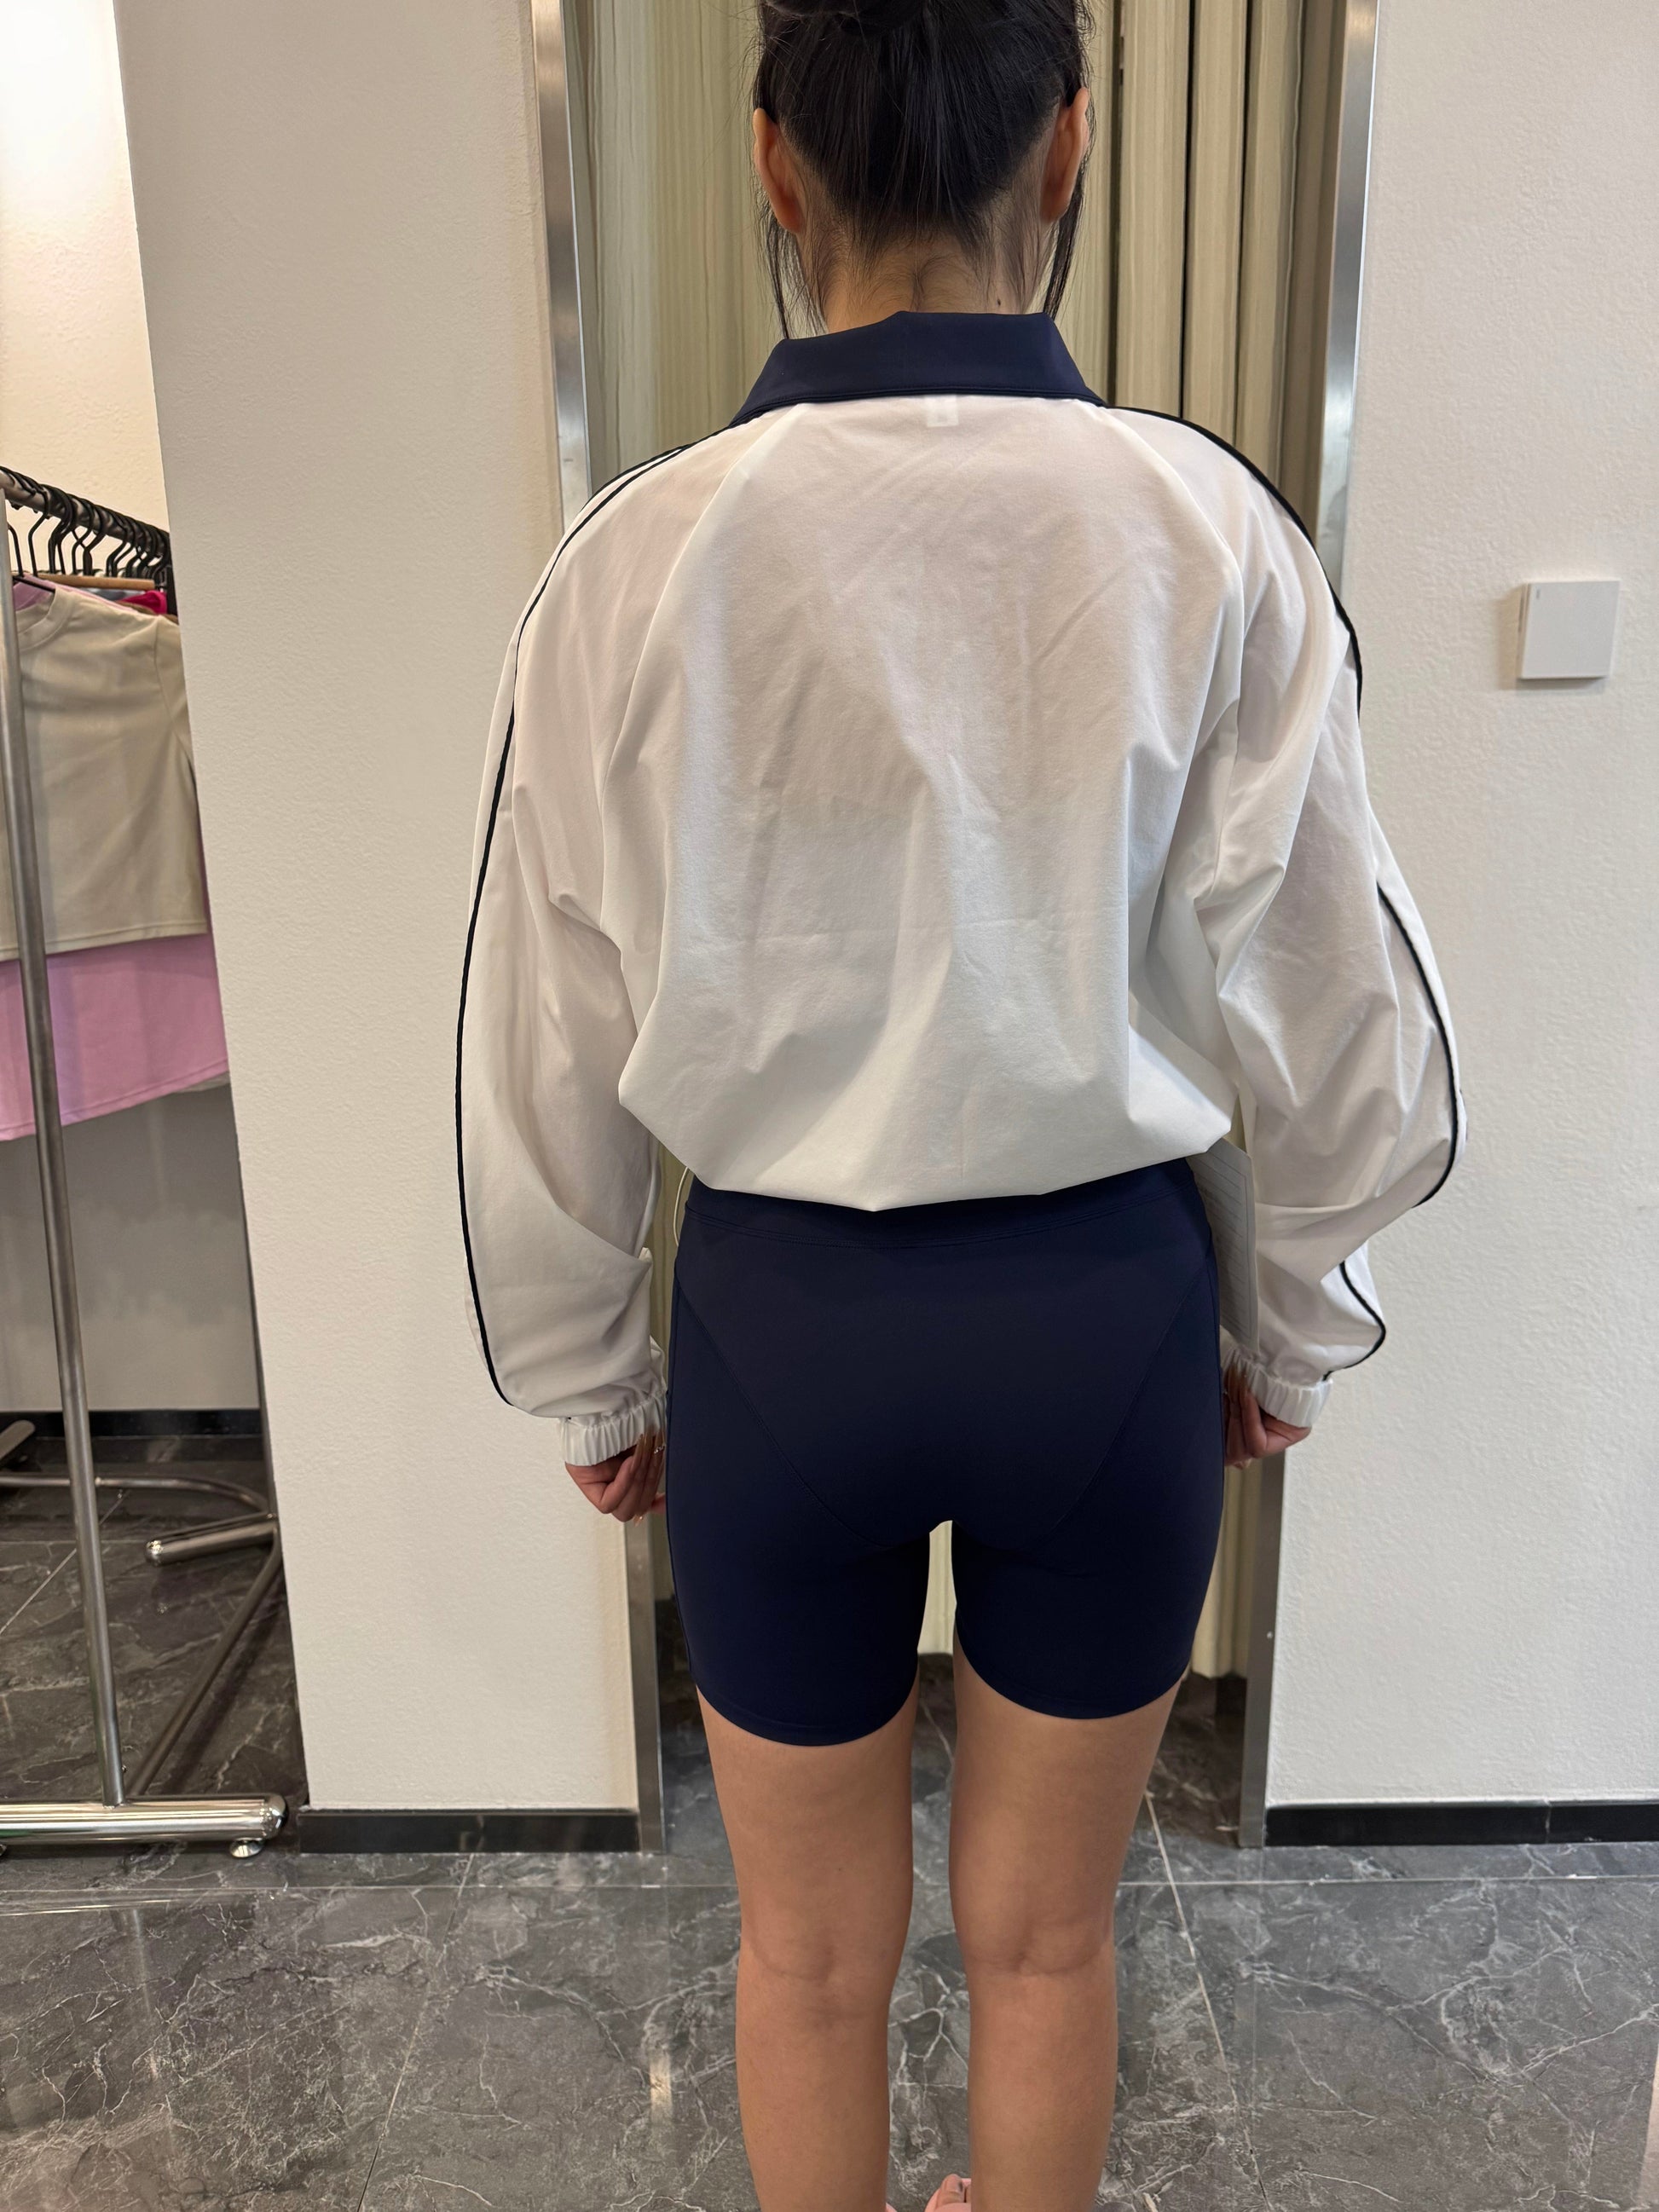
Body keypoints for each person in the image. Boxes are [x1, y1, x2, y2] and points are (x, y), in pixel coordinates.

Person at [457, 1, 1462, 2204]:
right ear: (1070, 147)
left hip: (775, 1328)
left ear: (772, 165)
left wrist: (584, 1363)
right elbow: (1334, 990)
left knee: (808, 1959)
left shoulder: (628, 558)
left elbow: (536, 1018)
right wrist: (1298, 1316)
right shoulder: (1206, 530)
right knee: (1046, 1947)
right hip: (1098, 1320)